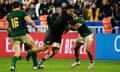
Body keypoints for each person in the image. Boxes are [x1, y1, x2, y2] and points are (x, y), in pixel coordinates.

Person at [6, 1, 40, 72]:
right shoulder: (22, 12)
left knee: (17, 52)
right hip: (22, 34)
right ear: (19, 6)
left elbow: (8, 28)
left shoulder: (9, 15)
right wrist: (35, 27)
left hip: (13, 36)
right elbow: (30, 21)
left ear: (12, 7)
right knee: (34, 47)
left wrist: (11, 35)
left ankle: (12, 66)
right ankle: (35, 65)